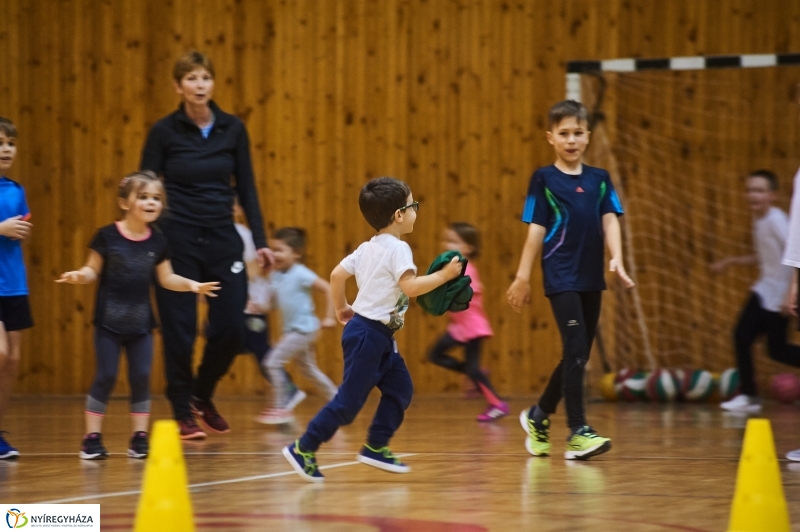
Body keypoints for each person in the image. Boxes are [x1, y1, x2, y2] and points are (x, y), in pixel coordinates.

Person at [282, 177, 463, 482]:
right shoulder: (398, 249)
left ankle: (375, 446)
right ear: (399, 215)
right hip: (368, 336)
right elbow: (411, 287)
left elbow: (336, 275)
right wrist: (446, 275)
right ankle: (304, 447)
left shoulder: (368, 248)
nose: (416, 211)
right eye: (413, 205)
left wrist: (342, 306)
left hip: (376, 336)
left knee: (400, 389)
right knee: (348, 404)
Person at [140, 50, 274, 439]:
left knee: (233, 327)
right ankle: (182, 410)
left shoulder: (233, 128)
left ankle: (202, 392)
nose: (199, 85)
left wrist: (261, 241)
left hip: (221, 239)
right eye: (191, 79)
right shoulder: (164, 131)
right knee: (179, 330)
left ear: (213, 83)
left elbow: (247, 188)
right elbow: (144, 186)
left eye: (205, 78)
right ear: (178, 86)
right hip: (176, 239)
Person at [57, 171, 220, 459]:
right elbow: (92, 269)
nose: (151, 202)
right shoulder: (107, 236)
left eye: (156, 198)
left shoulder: (158, 242)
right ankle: (91, 438)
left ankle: (139, 437)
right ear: (124, 202)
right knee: (106, 375)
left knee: (142, 376)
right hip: (109, 322)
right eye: (143, 197)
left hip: (142, 325)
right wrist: (79, 276)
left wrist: (193, 285)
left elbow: (167, 279)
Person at [507, 100, 634, 461]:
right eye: (564, 133)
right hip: (560, 274)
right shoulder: (544, 179)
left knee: (577, 353)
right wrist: (522, 277)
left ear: (588, 136)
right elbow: (536, 230)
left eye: (578, 133)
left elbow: (610, 218)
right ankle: (578, 431)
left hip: (591, 276)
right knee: (577, 347)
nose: (572, 140)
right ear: (551, 137)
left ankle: (538, 415)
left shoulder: (600, 179)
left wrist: (617, 257)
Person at [710, 170, 800, 413]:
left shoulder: (777, 221)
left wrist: (790, 292)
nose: (753, 195)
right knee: (742, 336)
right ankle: (748, 395)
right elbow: (767, 256)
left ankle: (749, 395)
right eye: (749, 190)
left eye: (759, 190)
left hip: (779, 296)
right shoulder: (760, 220)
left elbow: (795, 255)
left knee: (777, 350)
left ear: (773, 195)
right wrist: (731, 262)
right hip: (764, 289)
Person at [255, 227, 338, 425]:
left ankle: (281, 407)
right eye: (272, 250)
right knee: (309, 370)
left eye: (280, 250)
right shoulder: (275, 275)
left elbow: (327, 288)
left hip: (304, 329)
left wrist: (329, 317)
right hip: (295, 331)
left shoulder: (301, 273)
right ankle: (338, 401)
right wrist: (260, 306)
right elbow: (274, 303)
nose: (275, 254)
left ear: (296, 253)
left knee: (272, 363)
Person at [427, 222, 508, 422]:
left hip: (472, 328)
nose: (447, 246)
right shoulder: (454, 268)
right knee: (435, 354)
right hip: (459, 328)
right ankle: (477, 375)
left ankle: (497, 404)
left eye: (453, 242)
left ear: (469, 248)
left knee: (470, 367)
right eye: (447, 241)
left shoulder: (466, 270)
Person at [233, 205, 304, 411]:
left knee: (263, 353)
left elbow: (253, 270)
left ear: (238, 208)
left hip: (251, 305)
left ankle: (288, 390)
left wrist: (244, 296)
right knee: (219, 338)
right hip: (240, 305)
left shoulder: (243, 235)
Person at [0, 117, 32, 459]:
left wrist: (19, 228)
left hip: (14, 284)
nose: (6, 148)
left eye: (10, 142)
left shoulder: (16, 189)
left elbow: (18, 226)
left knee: (13, 361)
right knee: (1, 353)